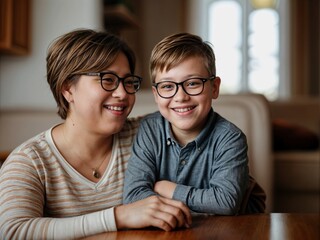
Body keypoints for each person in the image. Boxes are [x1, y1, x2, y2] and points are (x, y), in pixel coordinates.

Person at [0, 29, 192, 239]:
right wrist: (119, 217)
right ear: (67, 88)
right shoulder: (29, 161)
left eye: (128, 82)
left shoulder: (149, 135)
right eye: (108, 79)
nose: (123, 93)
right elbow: (12, 232)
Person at [123, 32, 265, 215]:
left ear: (214, 88)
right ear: (156, 94)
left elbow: (225, 202)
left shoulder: (230, 137)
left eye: (193, 83)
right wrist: (197, 204)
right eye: (167, 86)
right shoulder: (150, 129)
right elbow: (133, 196)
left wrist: (168, 189)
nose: (181, 97)